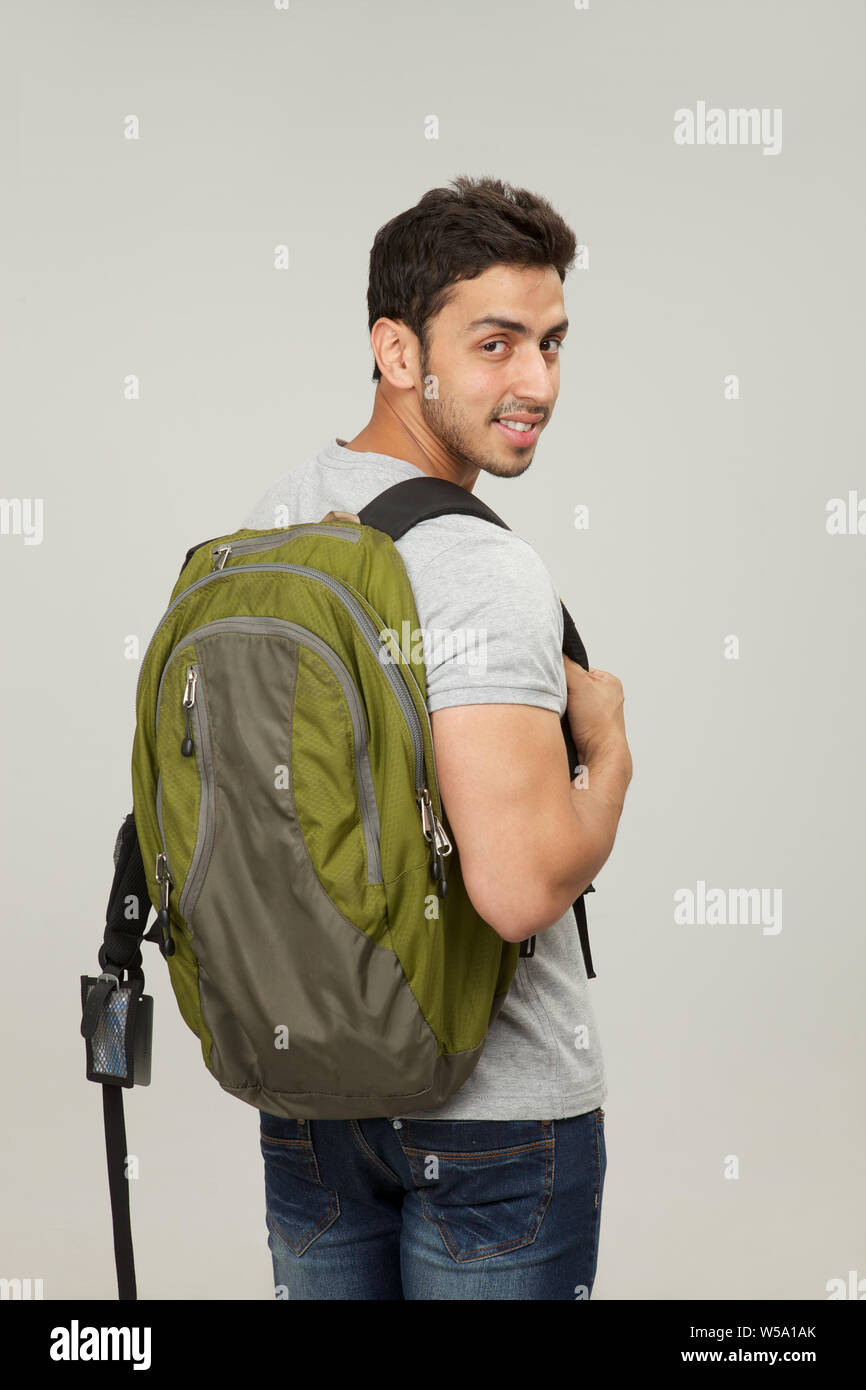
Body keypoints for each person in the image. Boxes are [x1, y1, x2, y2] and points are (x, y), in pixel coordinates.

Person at [242, 175, 633, 1300]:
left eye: (551, 345)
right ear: (397, 350)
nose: (536, 384)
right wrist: (606, 754)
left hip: (311, 1098)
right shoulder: (477, 565)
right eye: (495, 344)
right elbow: (515, 892)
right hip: (496, 1122)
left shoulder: (274, 520)